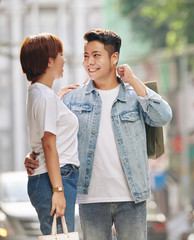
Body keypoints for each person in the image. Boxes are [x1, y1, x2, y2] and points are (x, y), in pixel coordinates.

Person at [25, 29, 172, 240]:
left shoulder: (134, 96)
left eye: (96, 55)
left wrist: (133, 80)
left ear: (114, 58)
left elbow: (163, 117)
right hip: (90, 198)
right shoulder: (72, 98)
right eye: (86, 56)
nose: (89, 62)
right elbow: (49, 136)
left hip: (132, 197)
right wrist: (32, 157)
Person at [20, 33, 80, 234]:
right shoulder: (45, 97)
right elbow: (47, 144)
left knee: (59, 235)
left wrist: (57, 99)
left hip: (51, 177)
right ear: (49, 61)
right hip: (55, 178)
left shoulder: (39, 93)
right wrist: (58, 190)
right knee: (61, 236)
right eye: (60, 54)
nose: (64, 60)